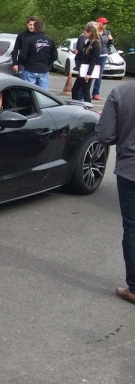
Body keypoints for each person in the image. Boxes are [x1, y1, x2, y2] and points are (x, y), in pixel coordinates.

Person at [95, 79, 135, 304]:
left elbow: (105, 137)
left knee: (132, 228)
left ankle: (134, 288)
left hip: (130, 171)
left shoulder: (121, 93)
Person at [11, 16, 56, 88]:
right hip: (26, 65)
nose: (32, 27)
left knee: (37, 90)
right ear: (27, 24)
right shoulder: (22, 36)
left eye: (33, 25)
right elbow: (15, 50)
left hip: (40, 66)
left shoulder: (43, 37)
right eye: (30, 24)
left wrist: (47, 64)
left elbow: (52, 54)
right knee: (26, 88)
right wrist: (15, 63)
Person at [70, 22, 101, 103]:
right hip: (83, 69)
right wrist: (77, 52)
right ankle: (76, 104)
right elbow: (84, 54)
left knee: (84, 90)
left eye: (85, 33)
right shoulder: (88, 42)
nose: (83, 34)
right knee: (77, 89)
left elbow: (93, 59)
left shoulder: (96, 44)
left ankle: (87, 106)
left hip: (87, 70)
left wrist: (89, 73)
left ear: (89, 33)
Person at [92, 17, 114, 101]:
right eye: (104, 23)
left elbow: (110, 43)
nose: (105, 25)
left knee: (99, 74)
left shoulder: (107, 32)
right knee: (90, 72)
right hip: (94, 54)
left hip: (103, 54)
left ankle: (96, 93)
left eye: (106, 23)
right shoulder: (94, 31)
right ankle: (84, 90)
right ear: (99, 23)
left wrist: (111, 40)